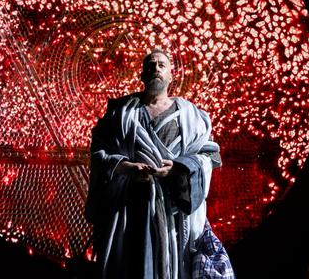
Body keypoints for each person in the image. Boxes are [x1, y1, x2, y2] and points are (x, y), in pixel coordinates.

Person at [85, 48, 234, 278]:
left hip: (173, 210)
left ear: (171, 75)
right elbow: (99, 152)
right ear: (142, 75)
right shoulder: (120, 113)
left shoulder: (191, 115)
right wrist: (126, 167)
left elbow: (209, 155)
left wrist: (177, 168)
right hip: (130, 208)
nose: (156, 69)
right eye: (150, 65)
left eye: (161, 65)